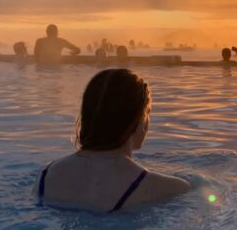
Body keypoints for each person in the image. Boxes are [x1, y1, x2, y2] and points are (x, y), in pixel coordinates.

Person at [33, 69, 190, 212]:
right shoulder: (169, 188)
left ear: (87, 116)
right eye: (147, 113)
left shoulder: (45, 177)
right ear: (139, 120)